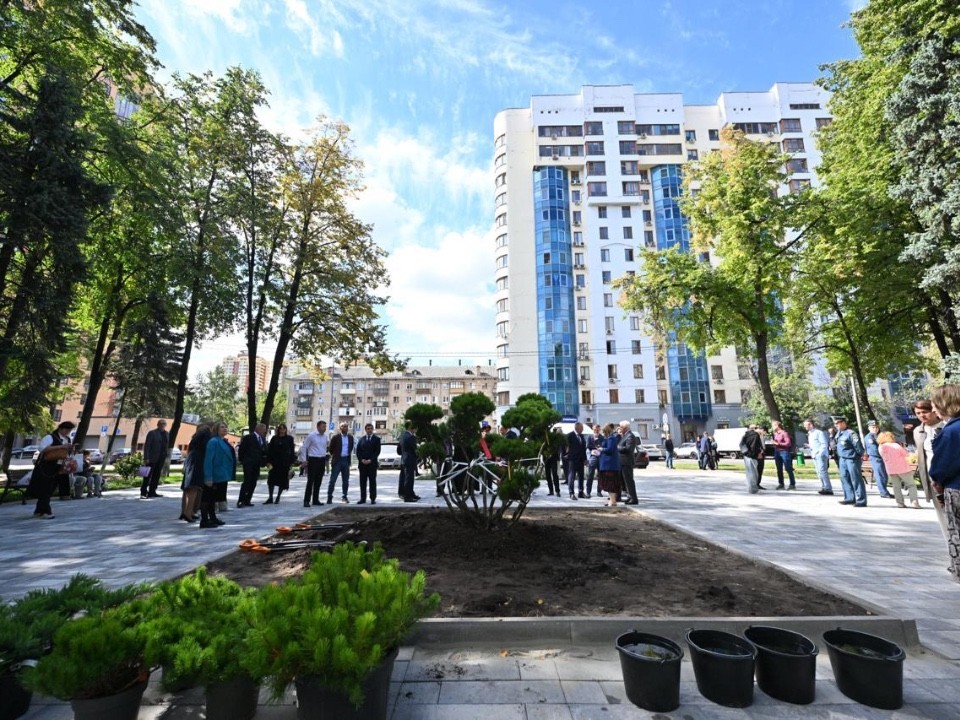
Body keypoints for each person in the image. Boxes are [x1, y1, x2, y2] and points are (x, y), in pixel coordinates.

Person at [928, 384, 960, 582]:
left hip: (956, 488)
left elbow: (942, 465)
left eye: (934, 405)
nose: (933, 410)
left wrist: (937, 481)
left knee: (957, 533)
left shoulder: (950, 431)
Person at [914, 399, 948, 538]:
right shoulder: (918, 431)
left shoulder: (947, 426)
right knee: (943, 517)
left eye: (925, 411)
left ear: (933, 411)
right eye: (918, 413)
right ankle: (951, 547)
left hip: (950, 478)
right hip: (933, 479)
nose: (922, 415)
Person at [31, 421, 76, 519]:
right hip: (46, 466)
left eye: (69, 430)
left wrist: (70, 449)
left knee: (50, 489)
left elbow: (65, 452)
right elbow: (42, 449)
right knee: (46, 488)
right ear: (60, 428)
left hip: (58, 466)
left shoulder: (67, 439)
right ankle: (46, 511)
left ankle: (39, 510)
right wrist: (61, 446)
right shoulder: (50, 437)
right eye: (66, 430)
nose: (67, 432)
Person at [201, 421, 234, 528]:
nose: (225, 429)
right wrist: (208, 477)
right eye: (222, 427)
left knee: (213, 498)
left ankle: (213, 517)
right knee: (207, 498)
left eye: (225, 427)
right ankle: (204, 520)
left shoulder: (222, 441)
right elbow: (208, 460)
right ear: (216, 429)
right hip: (214, 475)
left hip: (221, 475)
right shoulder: (213, 441)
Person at [878, 431, 920, 509]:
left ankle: (900, 503)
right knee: (911, 485)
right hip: (903, 468)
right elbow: (906, 454)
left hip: (891, 469)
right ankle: (914, 502)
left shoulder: (880, 447)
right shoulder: (895, 445)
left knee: (896, 487)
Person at [834, 417, 867, 507]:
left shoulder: (851, 433)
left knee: (856, 479)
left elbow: (858, 446)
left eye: (837, 423)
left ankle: (861, 500)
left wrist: (861, 455)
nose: (836, 425)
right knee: (844, 478)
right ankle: (849, 498)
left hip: (852, 459)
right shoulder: (839, 433)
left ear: (843, 423)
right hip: (842, 459)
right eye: (835, 423)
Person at [181, 424, 211, 522]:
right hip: (197, 462)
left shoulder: (195, 438)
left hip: (191, 461)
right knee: (194, 488)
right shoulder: (206, 436)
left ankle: (187, 512)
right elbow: (206, 448)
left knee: (190, 489)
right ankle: (188, 513)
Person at [237, 423, 269, 507]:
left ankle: (248, 500)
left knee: (253, 482)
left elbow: (264, 450)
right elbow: (242, 449)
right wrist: (242, 460)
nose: (265, 431)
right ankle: (241, 500)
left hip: (257, 463)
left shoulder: (262, 439)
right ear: (259, 429)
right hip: (248, 463)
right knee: (247, 481)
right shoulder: (248, 437)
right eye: (264, 429)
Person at [299, 420, 329, 507]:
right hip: (313, 459)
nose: (325, 428)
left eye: (325, 427)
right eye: (323, 426)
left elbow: (325, 447)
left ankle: (315, 500)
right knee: (310, 481)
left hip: (322, 460)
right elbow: (304, 447)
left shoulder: (325, 437)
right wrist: (304, 460)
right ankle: (306, 500)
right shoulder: (312, 436)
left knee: (318, 481)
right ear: (318, 427)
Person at [265, 423, 296, 504]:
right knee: (271, 480)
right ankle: (270, 497)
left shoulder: (289, 439)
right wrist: (268, 461)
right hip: (274, 462)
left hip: (284, 463)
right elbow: (270, 450)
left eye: (283, 429)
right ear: (278, 430)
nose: (282, 430)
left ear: (286, 430)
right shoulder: (274, 438)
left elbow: (292, 451)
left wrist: (292, 462)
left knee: (282, 480)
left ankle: (278, 496)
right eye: (280, 429)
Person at [864, 419, 894, 499]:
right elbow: (874, 450)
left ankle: (884, 491)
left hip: (881, 458)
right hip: (876, 458)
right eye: (873, 427)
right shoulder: (869, 437)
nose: (875, 429)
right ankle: (883, 492)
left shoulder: (878, 436)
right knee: (880, 476)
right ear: (869, 428)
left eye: (876, 427)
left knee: (884, 475)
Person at [803, 419, 833, 495]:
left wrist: (820, 453)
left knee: (823, 471)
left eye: (806, 425)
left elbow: (824, 444)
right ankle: (824, 487)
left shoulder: (818, 433)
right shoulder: (810, 434)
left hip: (821, 455)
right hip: (814, 455)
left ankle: (828, 488)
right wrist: (809, 446)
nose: (805, 426)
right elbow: (815, 444)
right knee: (819, 472)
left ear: (811, 425)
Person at [141, 419, 169, 499]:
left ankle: (152, 492)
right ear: (158, 424)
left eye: (164, 424)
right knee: (147, 476)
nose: (163, 425)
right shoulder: (152, 433)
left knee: (156, 475)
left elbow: (166, 445)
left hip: (161, 458)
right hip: (151, 458)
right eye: (161, 423)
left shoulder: (167, 434)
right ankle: (143, 492)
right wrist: (146, 457)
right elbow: (147, 446)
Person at [328, 423, 355, 503]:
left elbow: (351, 448)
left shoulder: (350, 437)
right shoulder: (335, 437)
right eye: (343, 426)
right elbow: (330, 449)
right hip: (337, 461)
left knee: (345, 481)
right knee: (333, 480)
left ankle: (344, 497)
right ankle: (329, 497)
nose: (345, 428)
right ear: (340, 428)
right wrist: (336, 456)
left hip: (346, 460)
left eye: (346, 426)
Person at [355, 423, 381, 505]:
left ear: (372, 429)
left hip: (372, 464)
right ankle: (363, 498)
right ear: (365, 430)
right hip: (362, 464)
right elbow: (358, 451)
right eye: (368, 429)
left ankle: (373, 498)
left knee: (372, 481)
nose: (369, 430)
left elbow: (377, 451)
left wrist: (370, 460)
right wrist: (361, 459)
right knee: (362, 482)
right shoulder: (361, 439)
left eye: (371, 428)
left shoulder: (377, 439)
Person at [597, 424, 621, 506]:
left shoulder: (611, 438)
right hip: (608, 464)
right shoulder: (609, 438)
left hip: (609, 465)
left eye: (603, 432)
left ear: (606, 431)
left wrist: (601, 449)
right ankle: (612, 500)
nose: (602, 433)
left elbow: (610, 450)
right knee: (609, 483)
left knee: (611, 483)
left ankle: (613, 501)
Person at [617, 421, 639, 505]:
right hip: (622, 462)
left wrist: (618, 447)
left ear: (625, 428)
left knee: (629, 481)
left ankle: (633, 498)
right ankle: (629, 497)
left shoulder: (630, 436)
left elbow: (628, 449)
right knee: (625, 481)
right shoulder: (625, 435)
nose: (619, 429)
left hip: (627, 462)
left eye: (621, 427)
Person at [771, 420, 796, 490]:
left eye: (773, 426)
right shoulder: (775, 434)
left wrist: (778, 444)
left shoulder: (784, 433)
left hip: (784, 452)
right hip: (777, 452)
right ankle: (781, 483)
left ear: (777, 426)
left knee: (788, 468)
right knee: (779, 469)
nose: (772, 427)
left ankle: (792, 484)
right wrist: (774, 443)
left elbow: (788, 443)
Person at [565, 422, 587, 499]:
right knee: (572, 476)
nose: (583, 429)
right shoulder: (570, 435)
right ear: (577, 428)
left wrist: (585, 459)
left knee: (581, 476)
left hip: (581, 460)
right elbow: (566, 447)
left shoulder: (582, 436)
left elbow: (583, 448)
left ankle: (581, 492)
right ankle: (571, 493)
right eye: (582, 428)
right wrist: (567, 455)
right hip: (573, 459)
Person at [399, 421, 420, 502]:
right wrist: (419, 456)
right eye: (415, 427)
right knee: (409, 479)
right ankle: (407, 496)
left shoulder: (402, 435)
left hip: (404, 459)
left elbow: (398, 450)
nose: (416, 429)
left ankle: (409, 493)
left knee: (405, 478)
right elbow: (415, 449)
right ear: (411, 428)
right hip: (410, 460)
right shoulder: (411, 437)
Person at [740, 425, 764, 494]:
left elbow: (741, 444)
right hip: (752, 456)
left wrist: (745, 452)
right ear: (755, 429)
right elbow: (755, 446)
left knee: (749, 473)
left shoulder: (745, 435)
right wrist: (758, 453)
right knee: (753, 473)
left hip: (746, 456)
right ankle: (753, 490)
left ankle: (750, 488)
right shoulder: (755, 435)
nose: (760, 430)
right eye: (758, 428)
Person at [542, 428, 562, 496]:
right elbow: (543, 448)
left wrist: (552, 453)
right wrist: (544, 455)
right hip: (546, 458)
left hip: (554, 458)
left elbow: (557, 448)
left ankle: (557, 491)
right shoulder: (545, 438)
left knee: (554, 474)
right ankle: (551, 490)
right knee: (548, 475)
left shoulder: (556, 440)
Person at [586, 423, 603, 497]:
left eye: (597, 429)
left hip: (600, 457)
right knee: (590, 475)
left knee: (600, 475)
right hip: (593, 457)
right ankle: (588, 492)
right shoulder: (590, 437)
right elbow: (588, 446)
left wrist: (598, 443)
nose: (596, 431)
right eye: (595, 429)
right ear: (593, 429)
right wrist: (596, 447)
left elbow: (603, 445)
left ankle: (599, 491)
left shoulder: (602, 437)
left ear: (599, 430)